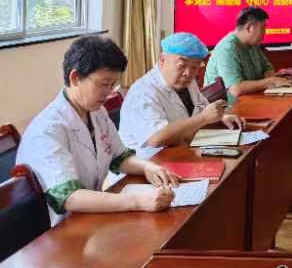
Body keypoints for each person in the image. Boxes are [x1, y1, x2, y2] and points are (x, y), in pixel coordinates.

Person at [16, 35, 178, 226]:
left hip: (91, 217)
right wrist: (136, 201)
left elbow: (120, 157)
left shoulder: (96, 112)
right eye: (103, 84)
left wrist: (147, 167)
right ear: (75, 78)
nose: (109, 92)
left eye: (113, 84)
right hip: (59, 229)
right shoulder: (47, 130)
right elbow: (70, 197)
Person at [120, 32, 245, 154]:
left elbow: (200, 105)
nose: (188, 73)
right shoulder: (143, 93)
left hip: (181, 150)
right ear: (162, 60)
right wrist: (203, 118)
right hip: (149, 160)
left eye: (195, 67)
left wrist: (220, 117)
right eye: (181, 65)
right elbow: (156, 138)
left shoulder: (188, 82)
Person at [204, 6, 292, 101]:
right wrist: (270, 81)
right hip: (227, 107)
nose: (264, 33)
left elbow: (267, 67)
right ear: (249, 27)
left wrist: (269, 75)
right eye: (262, 28)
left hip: (250, 100)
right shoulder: (227, 49)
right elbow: (236, 89)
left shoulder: (253, 44)